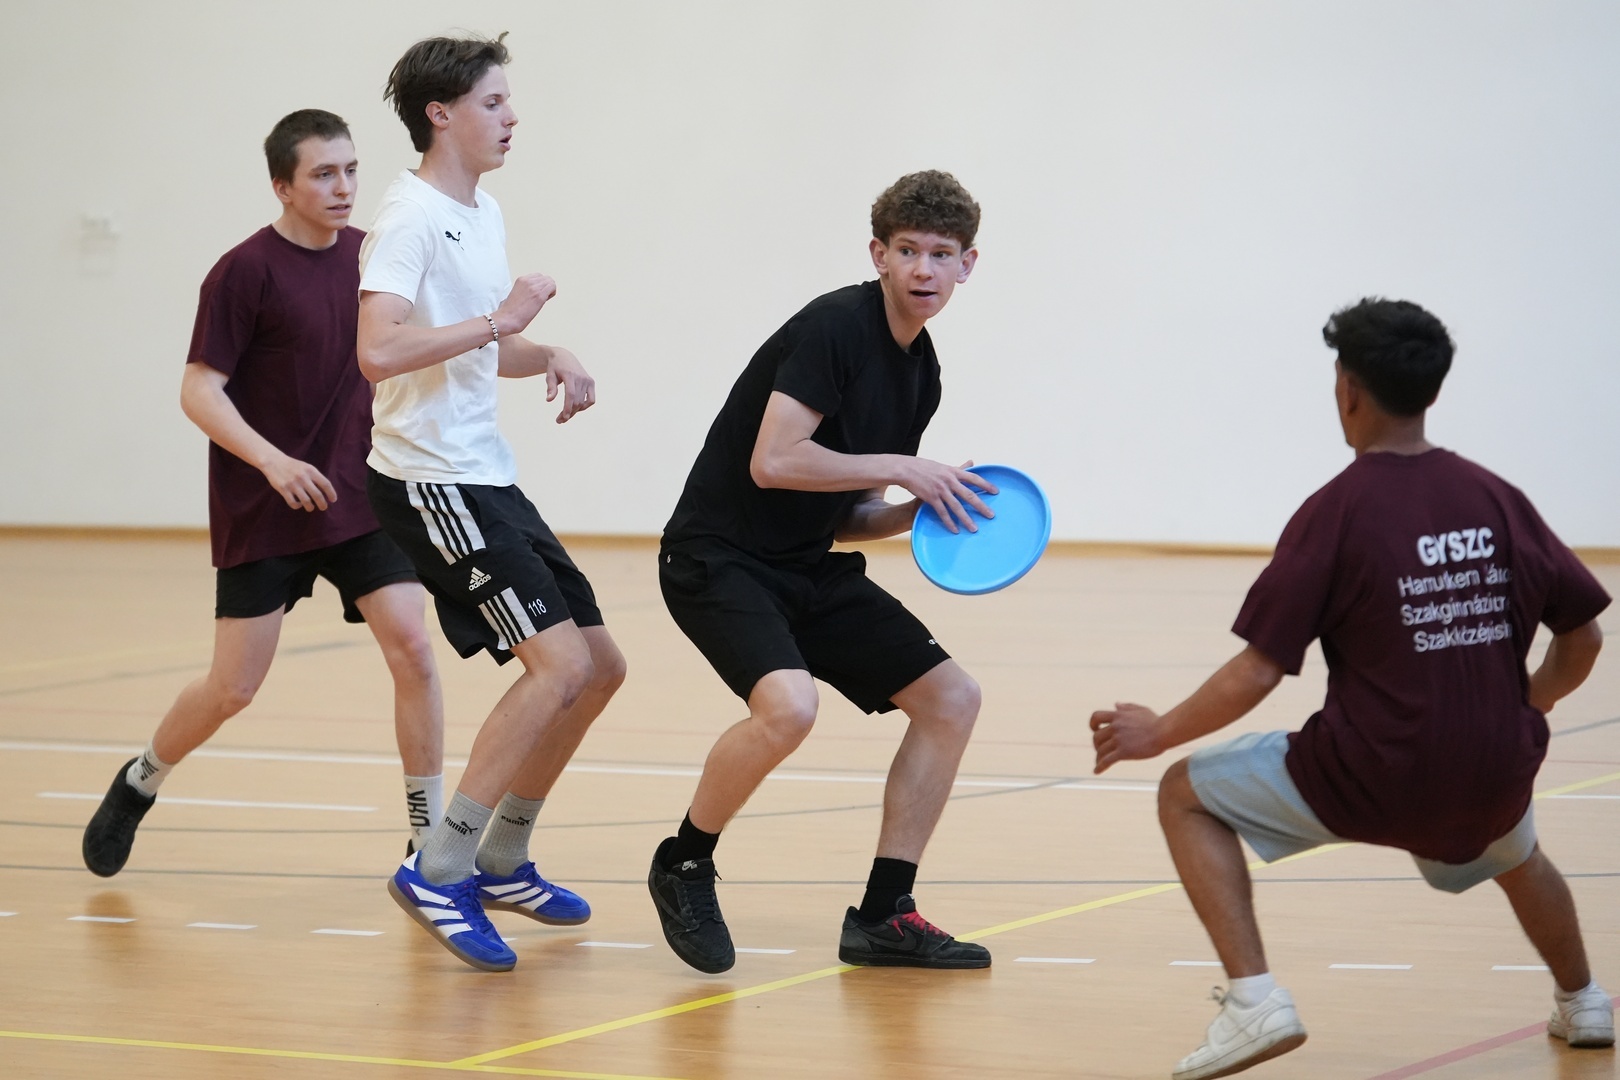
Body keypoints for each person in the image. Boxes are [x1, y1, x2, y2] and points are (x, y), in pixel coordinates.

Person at [1090, 297, 1613, 1079]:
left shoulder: (1336, 512)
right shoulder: (1498, 498)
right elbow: (1585, 638)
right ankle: (1586, 1001)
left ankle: (1254, 1002)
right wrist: (1527, 706)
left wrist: (1158, 730)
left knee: (1183, 792)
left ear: (1348, 389)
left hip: (1372, 776)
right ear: (1433, 388)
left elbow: (1259, 669)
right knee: (1518, 850)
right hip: (1496, 772)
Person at [81, 110, 446, 878]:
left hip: (359, 496)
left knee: (414, 647)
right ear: (283, 186)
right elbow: (199, 390)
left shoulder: (372, 260)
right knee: (233, 688)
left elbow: (417, 344)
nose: (343, 186)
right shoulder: (242, 273)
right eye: (323, 173)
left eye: (351, 169)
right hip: (266, 507)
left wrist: (528, 347)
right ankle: (140, 778)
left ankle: (428, 837)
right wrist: (274, 463)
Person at [648, 171, 996, 974]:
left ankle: (884, 915)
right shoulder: (835, 327)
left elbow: (847, 513)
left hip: (806, 564)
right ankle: (685, 860)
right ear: (879, 254)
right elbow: (774, 461)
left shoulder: (921, 372)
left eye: (941, 254)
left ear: (967, 264)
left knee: (952, 699)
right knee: (789, 707)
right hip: (717, 558)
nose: (923, 269)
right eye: (907, 250)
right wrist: (905, 467)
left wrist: (915, 512)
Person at [357, 32, 626, 973]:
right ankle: (439, 868)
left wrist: (548, 351)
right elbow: (379, 351)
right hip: (429, 479)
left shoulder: (480, 211)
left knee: (599, 666)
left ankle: (503, 856)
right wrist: (502, 318)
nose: (512, 117)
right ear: (442, 114)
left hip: (487, 474)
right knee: (555, 666)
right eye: (494, 102)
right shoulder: (408, 218)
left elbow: (478, 346)